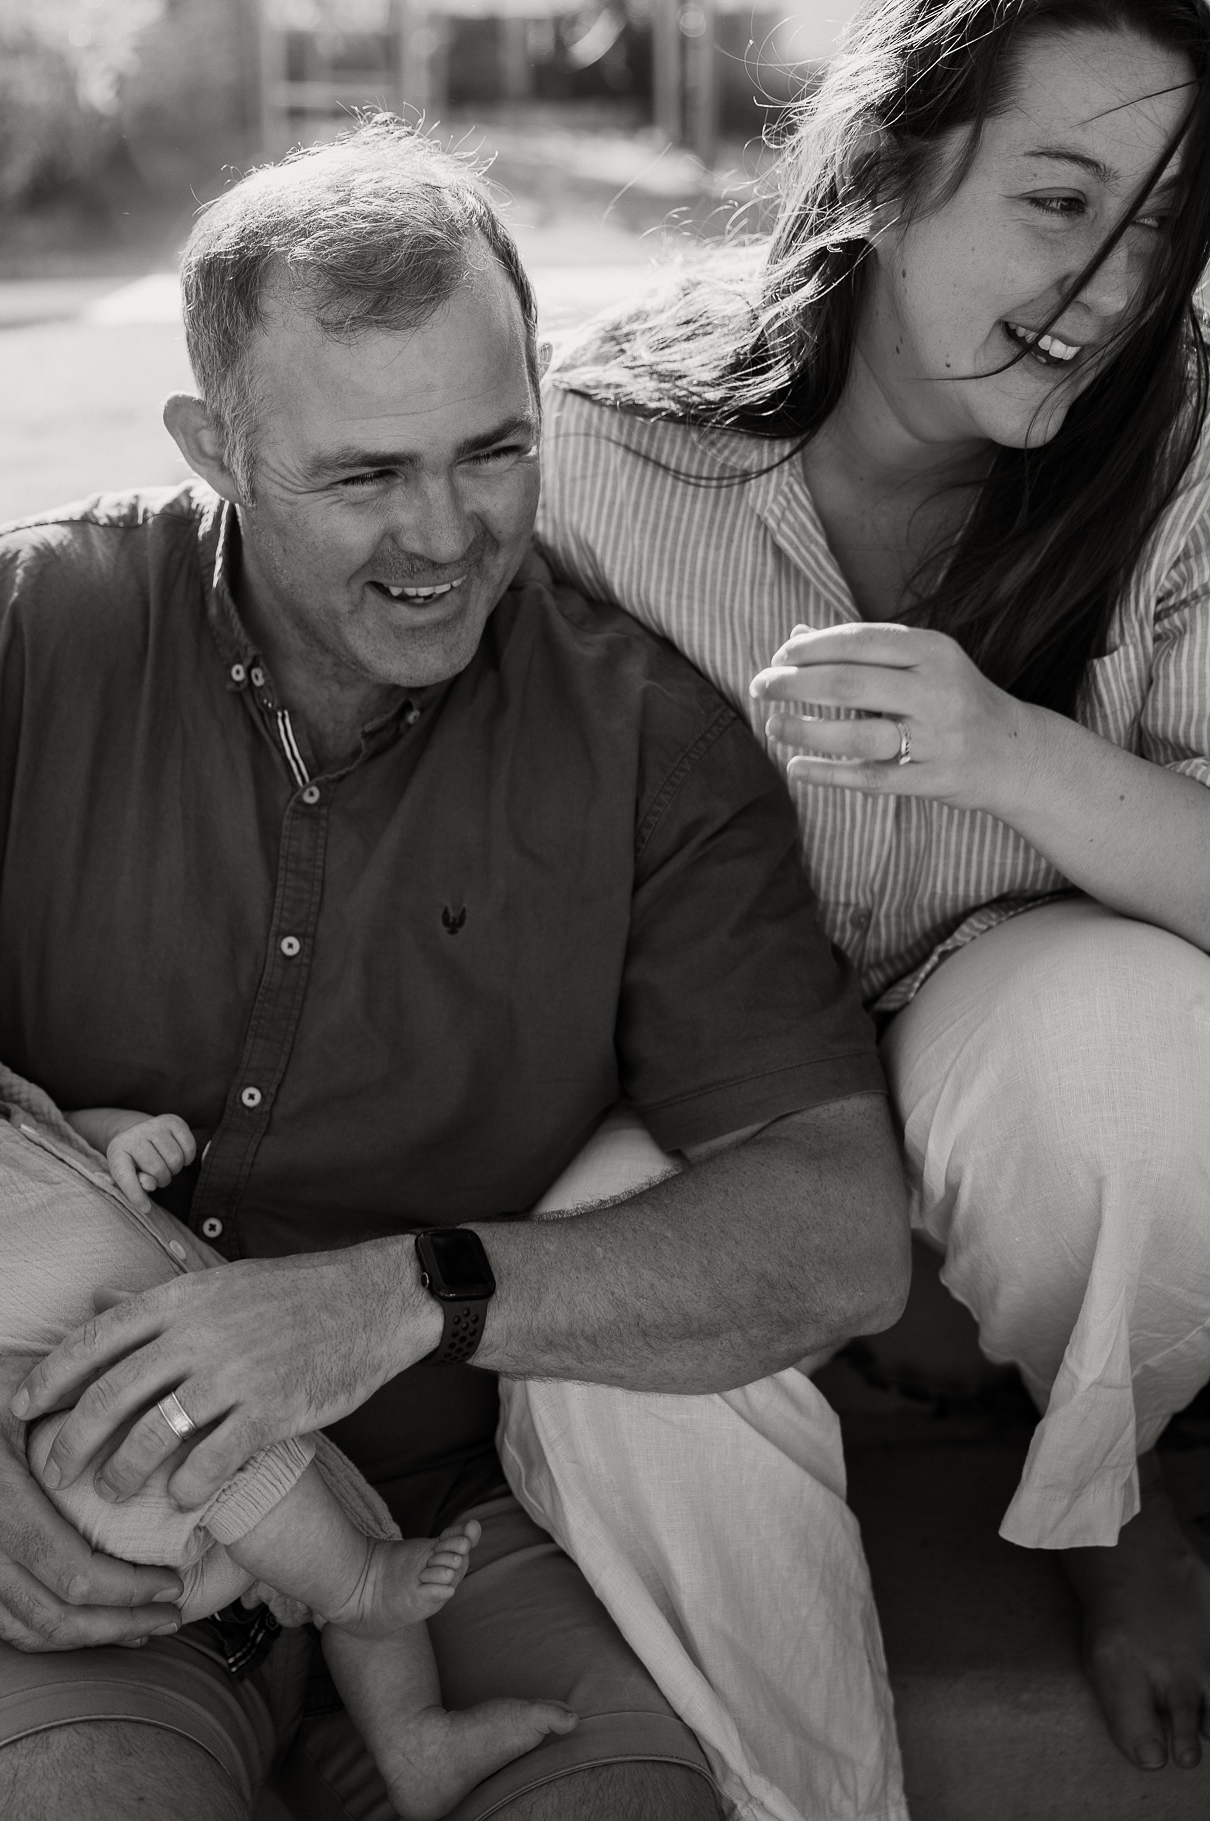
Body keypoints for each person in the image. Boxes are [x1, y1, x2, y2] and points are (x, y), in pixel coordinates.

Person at [0, 121, 909, 1821]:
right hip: (41, 1545)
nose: (447, 534)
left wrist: (408, 1293)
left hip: (427, 1548)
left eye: (493, 451)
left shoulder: (643, 742)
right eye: (364, 476)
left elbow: (839, 1231)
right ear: (216, 446)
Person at [534, 0, 1210, 1780]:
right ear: (897, 167)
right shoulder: (603, 442)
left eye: (1157, 231)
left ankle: (1104, 1498)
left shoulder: (1185, 457)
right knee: (584, 1309)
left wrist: (1009, 749)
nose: (1110, 291)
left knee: (1142, 1059)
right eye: (1062, 203)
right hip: (707, 1079)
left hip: (1024, 1085)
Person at [0, 838, 578, 1821]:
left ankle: (412, 1741)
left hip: (211, 1405)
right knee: (254, 1470)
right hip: (95, 1466)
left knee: (345, 1506)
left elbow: (60, 1142)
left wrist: (117, 1138)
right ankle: (352, 1586)